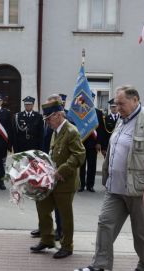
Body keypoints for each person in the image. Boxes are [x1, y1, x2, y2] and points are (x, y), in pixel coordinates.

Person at [72, 85, 144, 271]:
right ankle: (98, 266)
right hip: (115, 187)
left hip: (139, 188)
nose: (118, 107)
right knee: (105, 224)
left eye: (121, 103)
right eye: (117, 103)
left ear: (135, 100)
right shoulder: (122, 121)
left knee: (142, 230)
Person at [30, 94, 85, 259]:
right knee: (42, 205)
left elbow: (79, 155)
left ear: (59, 115)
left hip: (65, 181)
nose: (47, 122)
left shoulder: (71, 131)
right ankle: (47, 239)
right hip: (52, 179)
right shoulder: (56, 130)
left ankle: (67, 246)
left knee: (65, 215)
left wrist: (62, 170)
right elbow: (53, 153)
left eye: (49, 119)